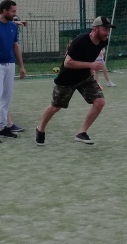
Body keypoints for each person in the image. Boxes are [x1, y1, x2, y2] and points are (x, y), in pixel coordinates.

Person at [35, 16, 113, 146]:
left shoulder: (103, 41)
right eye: (105, 29)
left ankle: (82, 132)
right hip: (67, 79)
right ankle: (40, 129)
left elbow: (88, 56)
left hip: (85, 77)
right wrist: (91, 65)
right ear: (95, 29)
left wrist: (90, 70)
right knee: (55, 107)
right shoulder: (80, 40)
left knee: (100, 102)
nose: (107, 32)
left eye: (108, 29)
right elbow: (68, 63)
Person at [0, 0, 26, 143]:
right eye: (13, 11)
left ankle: (2, 127)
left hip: (10, 63)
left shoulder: (13, 26)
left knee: (6, 97)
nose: (15, 14)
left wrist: (21, 66)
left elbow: (16, 46)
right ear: (4, 11)